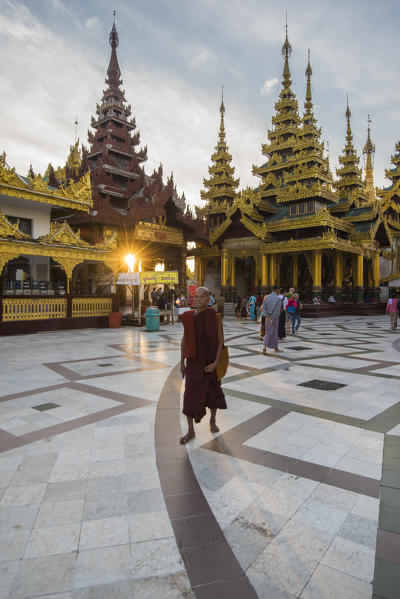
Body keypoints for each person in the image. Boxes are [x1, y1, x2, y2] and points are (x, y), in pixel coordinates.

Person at [180, 286, 227, 444]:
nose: (198, 299)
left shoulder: (214, 316)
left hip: (209, 363)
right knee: (189, 397)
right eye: (196, 296)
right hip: (194, 363)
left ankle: (212, 421)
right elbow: (184, 340)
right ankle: (190, 431)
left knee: (212, 394)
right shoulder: (188, 317)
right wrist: (182, 362)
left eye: (202, 297)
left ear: (208, 299)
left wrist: (215, 363)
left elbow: (221, 341)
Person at [262, 286, 283, 354]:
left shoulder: (266, 297)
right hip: (275, 318)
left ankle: (264, 347)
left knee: (268, 332)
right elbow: (277, 310)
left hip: (268, 318)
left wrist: (268, 317)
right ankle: (276, 348)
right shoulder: (278, 298)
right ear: (277, 291)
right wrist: (272, 318)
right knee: (274, 333)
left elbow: (264, 308)